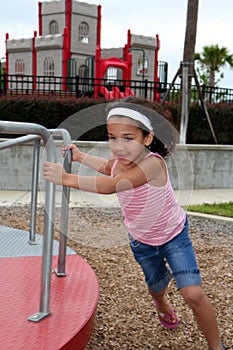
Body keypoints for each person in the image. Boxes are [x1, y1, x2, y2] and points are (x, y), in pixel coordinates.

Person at [43, 97, 226, 350]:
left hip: (174, 236)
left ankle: (217, 346)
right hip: (142, 242)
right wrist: (80, 156)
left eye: (128, 138)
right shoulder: (120, 162)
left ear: (147, 139)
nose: (118, 146)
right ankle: (161, 304)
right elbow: (109, 168)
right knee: (156, 288)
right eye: (112, 137)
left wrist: (66, 178)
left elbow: (111, 185)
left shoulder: (152, 164)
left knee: (193, 294)